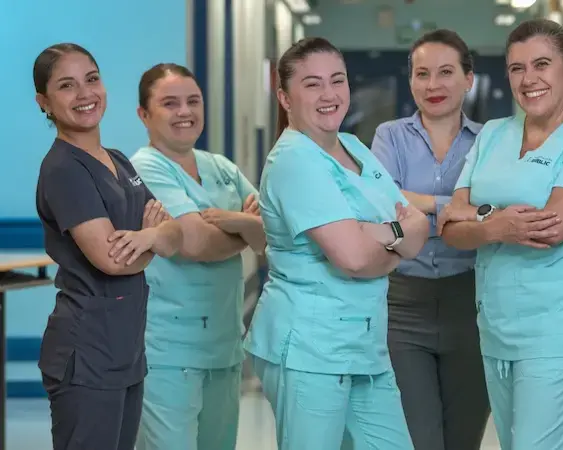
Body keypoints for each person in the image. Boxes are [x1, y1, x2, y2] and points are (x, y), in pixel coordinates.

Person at [438, 19, 563, 449]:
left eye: (542, 64)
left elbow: (551, 227)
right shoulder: (492, 134)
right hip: (499, 327)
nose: (529, 79)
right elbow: (449, 227)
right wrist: (501, 222)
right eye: (517, 68)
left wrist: (479, 218)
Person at [243, 37, 430, 450]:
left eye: (337, 80)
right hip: (311, 350)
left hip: (365, 346)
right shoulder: (294, 159)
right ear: (284, 96)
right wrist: (393, 238)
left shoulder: (354, 146)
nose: (329, 95)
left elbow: (418, 231)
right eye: (312, 84)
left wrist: (382, 237)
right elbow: (352, 256)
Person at [32, 43, 183, 450]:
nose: (85, 94)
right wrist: (150, 238)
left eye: (92, 79)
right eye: (67, 86)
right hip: (87, 353)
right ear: (44, 102)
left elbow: (175, 235)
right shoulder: (63, 169)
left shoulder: (119, 161)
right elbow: (112, 259)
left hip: (126, 350)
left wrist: (148, 237)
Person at [129, 63, 267, 450]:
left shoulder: (220, 167)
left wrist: (234, 224)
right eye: (169, 103)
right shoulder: (144, 168)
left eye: (193, 101)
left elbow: (269, 233)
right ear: (144, 114)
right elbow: (192, 244)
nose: (185, 111)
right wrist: (244, 226)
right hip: (168, 351)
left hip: (224, 345)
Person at [370, 29, 490, 450]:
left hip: (472, 302)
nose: (433, 85)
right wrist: (456, 209)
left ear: (469, 78)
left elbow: (491, 209)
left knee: (463, 438)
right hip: (403, 304)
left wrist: (420, 209)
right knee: (418, 438)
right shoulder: (390, 136)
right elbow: (385, 202)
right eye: (422, 74)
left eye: (446, 73)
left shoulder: (490, 141)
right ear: (411, 81)